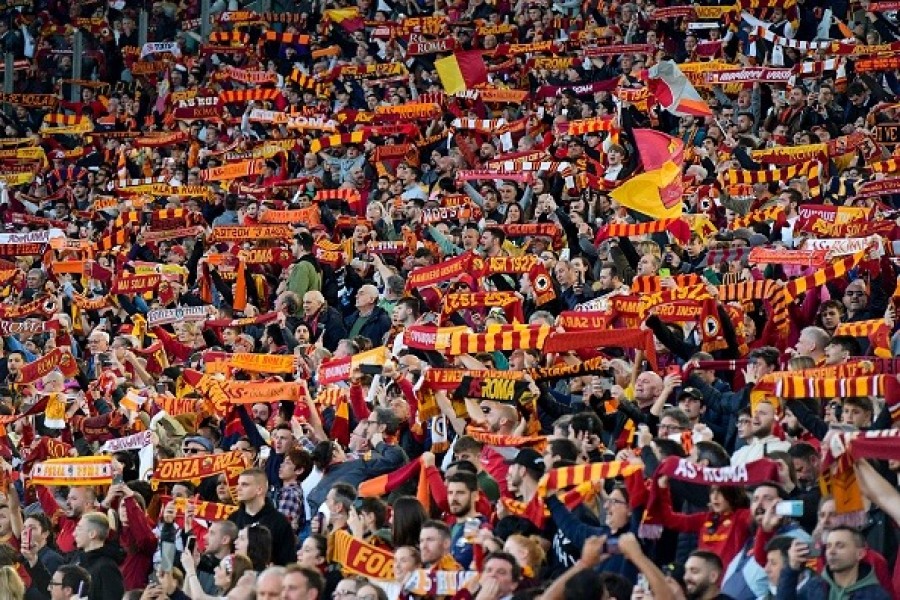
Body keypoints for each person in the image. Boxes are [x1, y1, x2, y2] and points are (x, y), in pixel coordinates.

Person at [228, 469, 296, 566]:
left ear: (259, 490)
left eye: (244, 484)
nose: (237, 488)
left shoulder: (279, 522)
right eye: (238, 484)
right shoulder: (233, 519)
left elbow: (288, 561)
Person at [70, 513, 125, 600]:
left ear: (92, 534)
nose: (74, 534)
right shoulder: (77, 560)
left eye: (79, 529)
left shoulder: (106, 567)